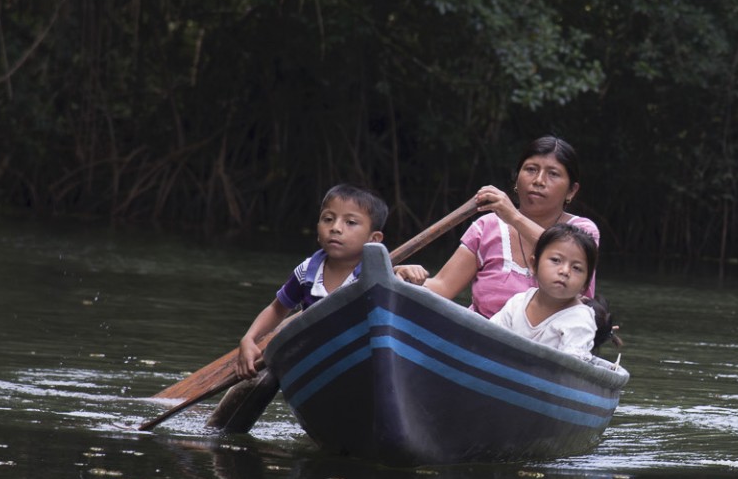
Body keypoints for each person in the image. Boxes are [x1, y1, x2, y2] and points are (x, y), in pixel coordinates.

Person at [396, 136, 599, 318]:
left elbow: (564, 251)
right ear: (517, 179)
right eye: (531, 170)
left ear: (571, 191)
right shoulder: (487, 227)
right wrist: (403, 279)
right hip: (481, 337)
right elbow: (442, 287)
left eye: (553, 174)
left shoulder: (583, 231)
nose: (538, 181)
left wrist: (513, 216)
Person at [236, 184, 388, 377]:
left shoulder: (377, 273)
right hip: (312, 363)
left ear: (374, 239)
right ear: (317, 229)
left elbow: (397, 299)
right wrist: (249, 339)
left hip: (359, 362)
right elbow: (277, 309)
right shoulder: (308, 271)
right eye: (328, 219)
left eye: (350, 222)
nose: (335, 228)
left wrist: (406, 271)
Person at [490, 224, 600, 357]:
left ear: (586, 283)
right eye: (556, 260)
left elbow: (569, 367)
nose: (565, 271)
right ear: (533, 265)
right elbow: (490, 337)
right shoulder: (517, 303)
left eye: (576, 268)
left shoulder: (579, 319)